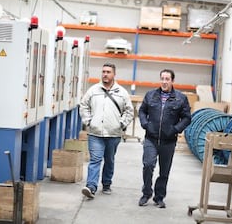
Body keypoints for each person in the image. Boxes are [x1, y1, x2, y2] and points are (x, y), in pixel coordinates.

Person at [79, 62, 134, 199]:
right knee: (95, 160)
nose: (105, 74)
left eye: (108, 72)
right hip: (95, 133)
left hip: (113, 134)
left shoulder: (122, 92)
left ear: (114, 74)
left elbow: (129, 111)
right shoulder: (93, 90)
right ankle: (91, 187)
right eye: (103, 71)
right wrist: (88, 121)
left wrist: (121, 124)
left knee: (109, 160)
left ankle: (107, 183)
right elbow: (83, 105)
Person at [138, 69, 191, 208]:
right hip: (151, 138)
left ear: (172, 81)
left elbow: (187, 118)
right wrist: (145, 124)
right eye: (162, 78)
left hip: (168, 141)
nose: (164, 81)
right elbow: (142, 111)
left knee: (164, 171)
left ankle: (159, 197)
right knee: (148, 165)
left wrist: (175, 129)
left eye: (167, 79)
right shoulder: (150, 95)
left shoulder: (180, 98)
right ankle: (146, 193)